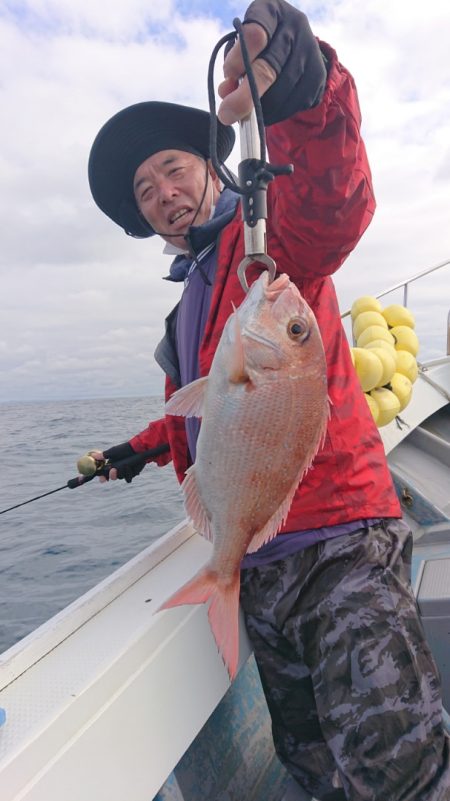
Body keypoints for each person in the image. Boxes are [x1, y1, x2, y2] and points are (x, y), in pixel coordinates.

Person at [84, 2, 450, 799]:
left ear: (215, 169)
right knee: (311, 762)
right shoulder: (189, 306)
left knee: (396, 769)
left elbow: (334, 199)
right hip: (260, 565)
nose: (163, 193)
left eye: (174, 168)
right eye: (145, 189)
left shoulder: (268, 246)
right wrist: (140, 448)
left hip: (341, 545)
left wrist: (306, 102)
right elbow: (212, 406)